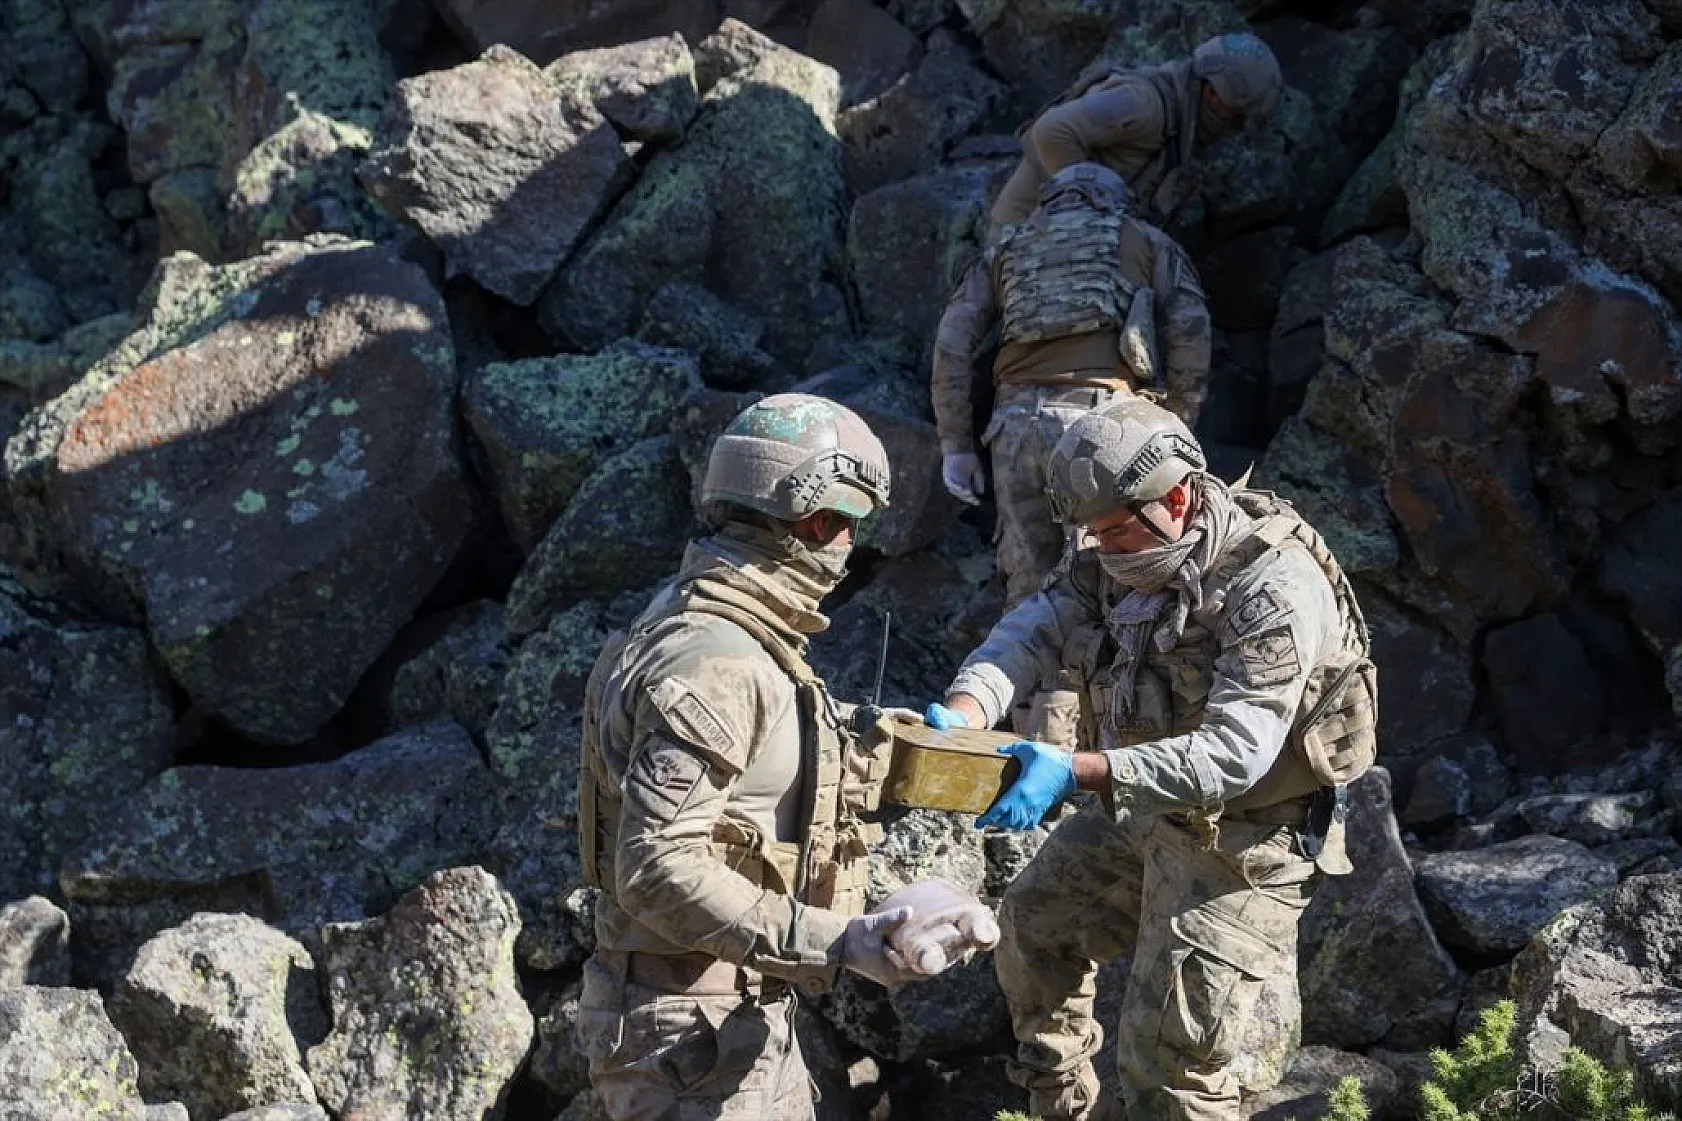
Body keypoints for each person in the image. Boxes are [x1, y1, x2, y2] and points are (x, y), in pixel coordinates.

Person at [925, 396, 1379, 1121]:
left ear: (1177, 495)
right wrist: (971, 702)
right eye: (1092, 534)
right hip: (1143, 811)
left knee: (1169, 1069)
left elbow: (1236, 753)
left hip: (1245, 843)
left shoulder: (1274, 586)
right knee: (1034, 926)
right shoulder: (1114, 552)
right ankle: (1061, 1105)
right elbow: (1037, 626)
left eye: (1115, 531)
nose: (1104, 549)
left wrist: (1077, 769)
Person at [575, 393, 993, 1120]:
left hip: (720, 1015)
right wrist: (843, 941)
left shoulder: (708, 627)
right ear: (817, 520)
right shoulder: (719, 660)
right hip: (687, 1039)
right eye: (847, 528)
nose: (847, 550)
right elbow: (655, 867)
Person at [933, 161, 1211, 610]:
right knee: (1114, 569)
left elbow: (952, 343)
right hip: (1108, 428)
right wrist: (1178, 425)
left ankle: (1032, 678)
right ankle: (1104, 678)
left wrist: (956, 444)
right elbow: (1191, 333)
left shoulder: (1006, 247)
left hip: (1014, 426)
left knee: (1028, 580)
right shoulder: (1146, 241)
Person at [989, 31, 1285, 237]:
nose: (1231, 132)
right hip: (1026, 244)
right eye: (1236, 119)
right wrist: (1088, 216)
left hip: (1064, 256)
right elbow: (1053, 131)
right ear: (1213, 94)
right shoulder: (1146, 104)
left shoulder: (1179, 128)